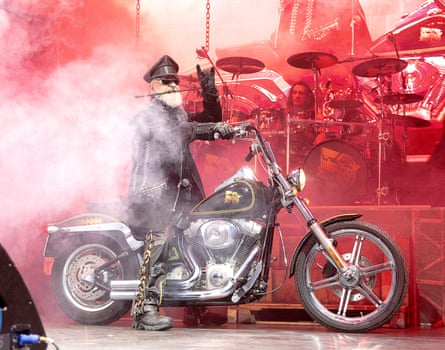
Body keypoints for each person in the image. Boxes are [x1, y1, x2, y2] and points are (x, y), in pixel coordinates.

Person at [127, 55, 233, 331]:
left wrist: (209, 90)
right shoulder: (147, 117)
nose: (173, 85)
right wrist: (198, 128)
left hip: (181, 193)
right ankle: (145, 310)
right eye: (166, 81)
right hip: (153, 194)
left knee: (197, 240)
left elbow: (210, 120)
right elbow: (177, 134)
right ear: (153, 87)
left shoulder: (178, 114)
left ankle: (194, 308)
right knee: (158, 244)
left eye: (175, 80)